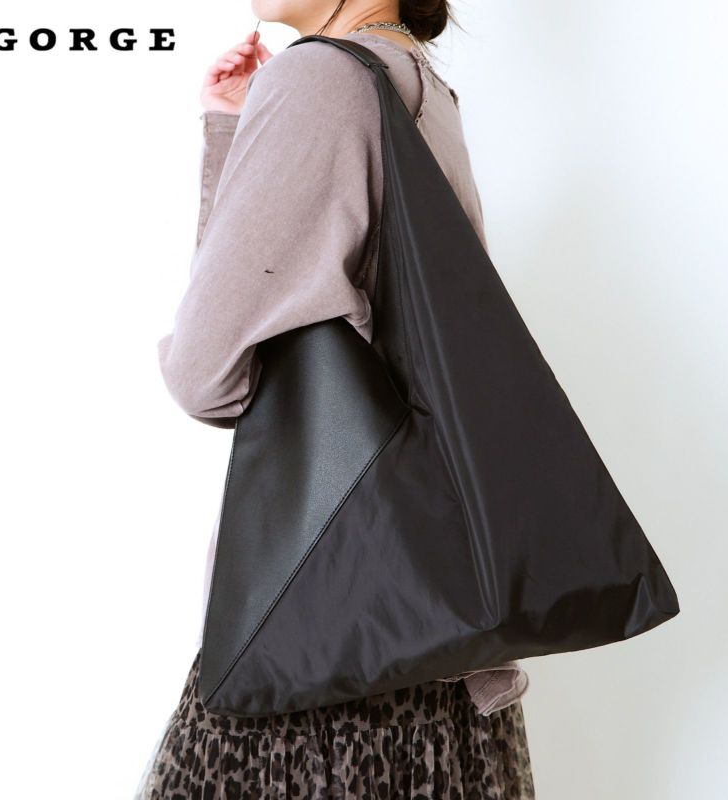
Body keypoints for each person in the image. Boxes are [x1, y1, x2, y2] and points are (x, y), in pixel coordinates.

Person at [136, 2, 536, 797]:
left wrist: (249, 125)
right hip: (433, 638)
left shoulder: (319, 80)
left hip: (315, 655)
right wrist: (237, 130)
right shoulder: (419, 85)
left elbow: (208, 375)